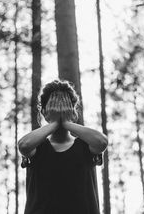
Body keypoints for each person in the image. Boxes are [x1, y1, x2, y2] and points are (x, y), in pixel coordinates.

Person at [18, 79, 108, 214]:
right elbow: (24, 145)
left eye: (64, 104)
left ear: (73, 111)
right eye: (54, 104)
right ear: (43, 111)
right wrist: (54, 123)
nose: (59, 109)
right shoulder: (38, 147)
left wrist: (66, 122)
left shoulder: (85, 146)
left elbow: (101, 142)